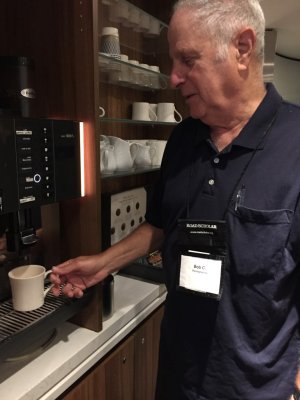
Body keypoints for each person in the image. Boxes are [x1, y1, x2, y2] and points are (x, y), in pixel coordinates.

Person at [50, 0, 300, 399]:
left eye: (187, 59)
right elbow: (162, 225)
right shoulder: (183, 138)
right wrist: (102, 264)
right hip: (177, 380)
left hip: (255, 390)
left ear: (242, 48)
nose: (173, 78)